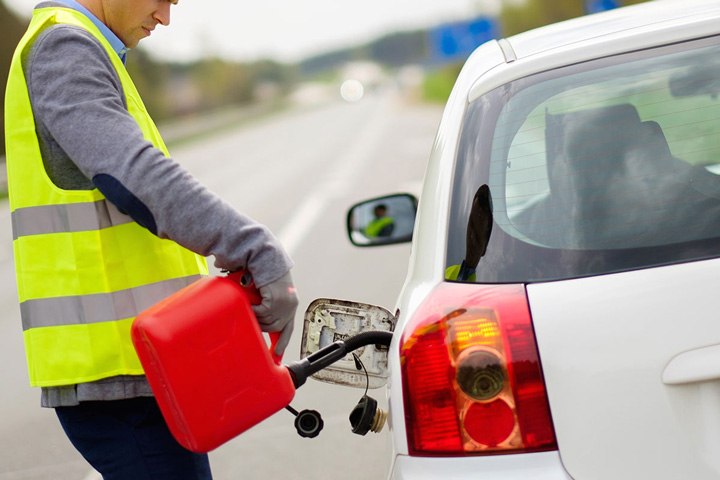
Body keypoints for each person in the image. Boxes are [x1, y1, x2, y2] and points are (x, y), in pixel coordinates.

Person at [4, 1, 298, 479]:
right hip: (117, 377)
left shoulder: (83, 45)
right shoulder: (65, 46)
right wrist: (253, 246)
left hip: (142, 368)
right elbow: (134, 176)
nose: (165, 16)